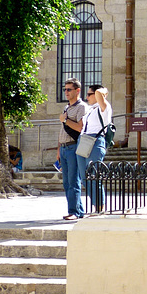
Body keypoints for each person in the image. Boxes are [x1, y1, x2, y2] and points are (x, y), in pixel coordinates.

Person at [76, 85, 112, 214]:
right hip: (84, 140)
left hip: (96, 140)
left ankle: (99, 207)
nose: (87, 97)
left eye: (89, 94)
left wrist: (103, 91)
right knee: (84, 177)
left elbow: (98, 92)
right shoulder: (91, 109)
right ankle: (95, 205)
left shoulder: (104, 107)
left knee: (93, 175)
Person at [58, 78, 89, 220]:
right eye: (65, 89)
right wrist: (58, 150)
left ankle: (74, 212)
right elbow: (62, 131)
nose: (66, 92)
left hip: (73, 147)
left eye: (69, 89)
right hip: (64, 148)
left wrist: (65, 120)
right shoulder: (66, 108)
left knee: (73, 181)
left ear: (77, 90)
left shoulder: (82, 107)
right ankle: (78, 210)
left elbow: (80, 127)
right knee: (66, 182)